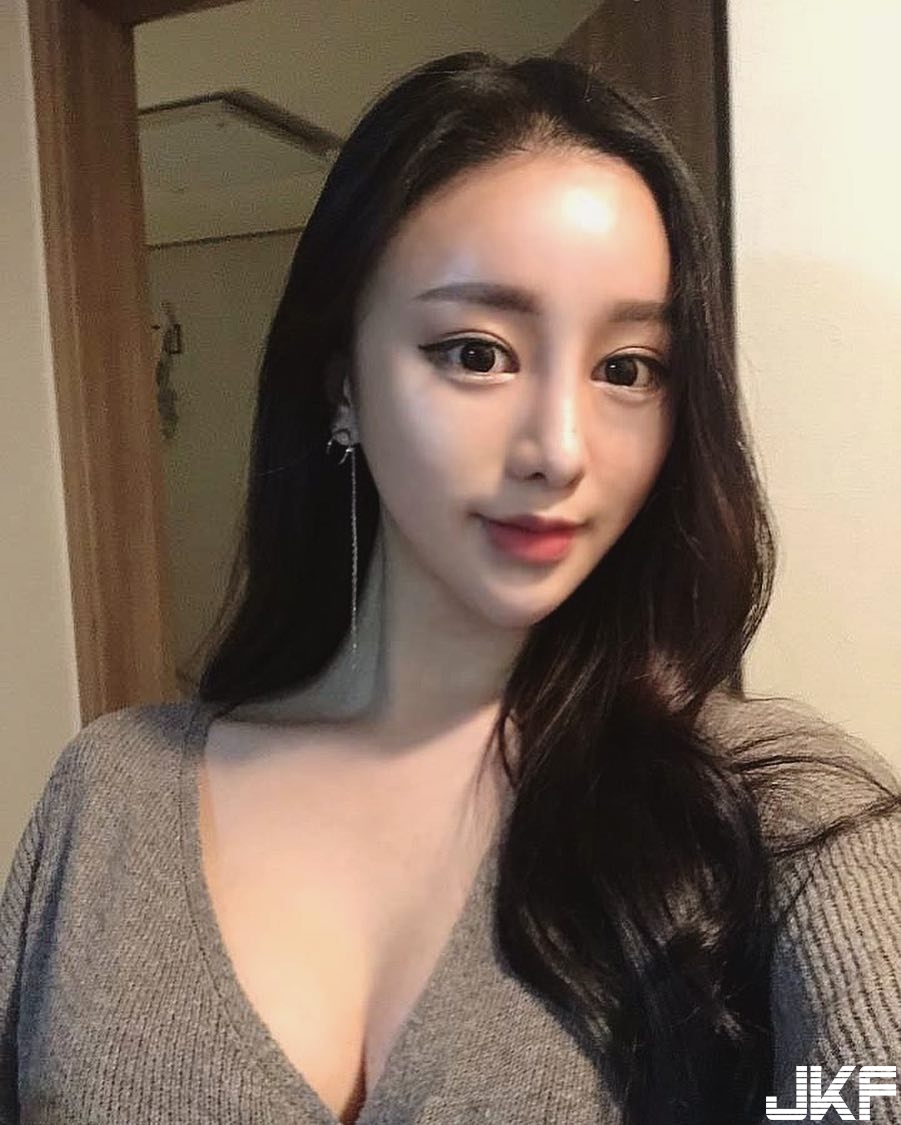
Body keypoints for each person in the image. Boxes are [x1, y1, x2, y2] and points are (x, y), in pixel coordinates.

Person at [1, 51, 899, 1125]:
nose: (559, 449)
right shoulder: (109, 796)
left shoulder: (783, 815)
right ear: (341, 380)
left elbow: (861, 1091)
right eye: (477, 353)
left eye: (626, 369)